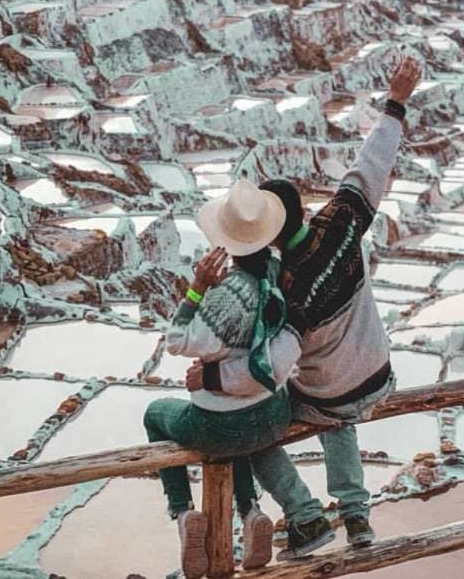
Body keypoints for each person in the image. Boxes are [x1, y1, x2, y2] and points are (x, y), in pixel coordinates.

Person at [187, 56, 422, 560]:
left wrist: (209, 381)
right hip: (378, 377)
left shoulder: (284, 292)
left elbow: (267, 369)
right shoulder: (342, 223)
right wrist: (396, 102)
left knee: (249, 424)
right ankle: (356, 512)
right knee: (339, 398)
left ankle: (303, 515)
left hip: (328, 396)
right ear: (304, 210)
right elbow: (371, 165)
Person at [143, 179, 293, 578]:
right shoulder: (278, 273)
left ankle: (183, 512)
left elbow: (179, 341)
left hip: (222, 425)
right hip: (273, 415)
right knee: (235, 428)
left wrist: (197, 289)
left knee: (155, 414)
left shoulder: (230, 293)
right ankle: (250, 510)